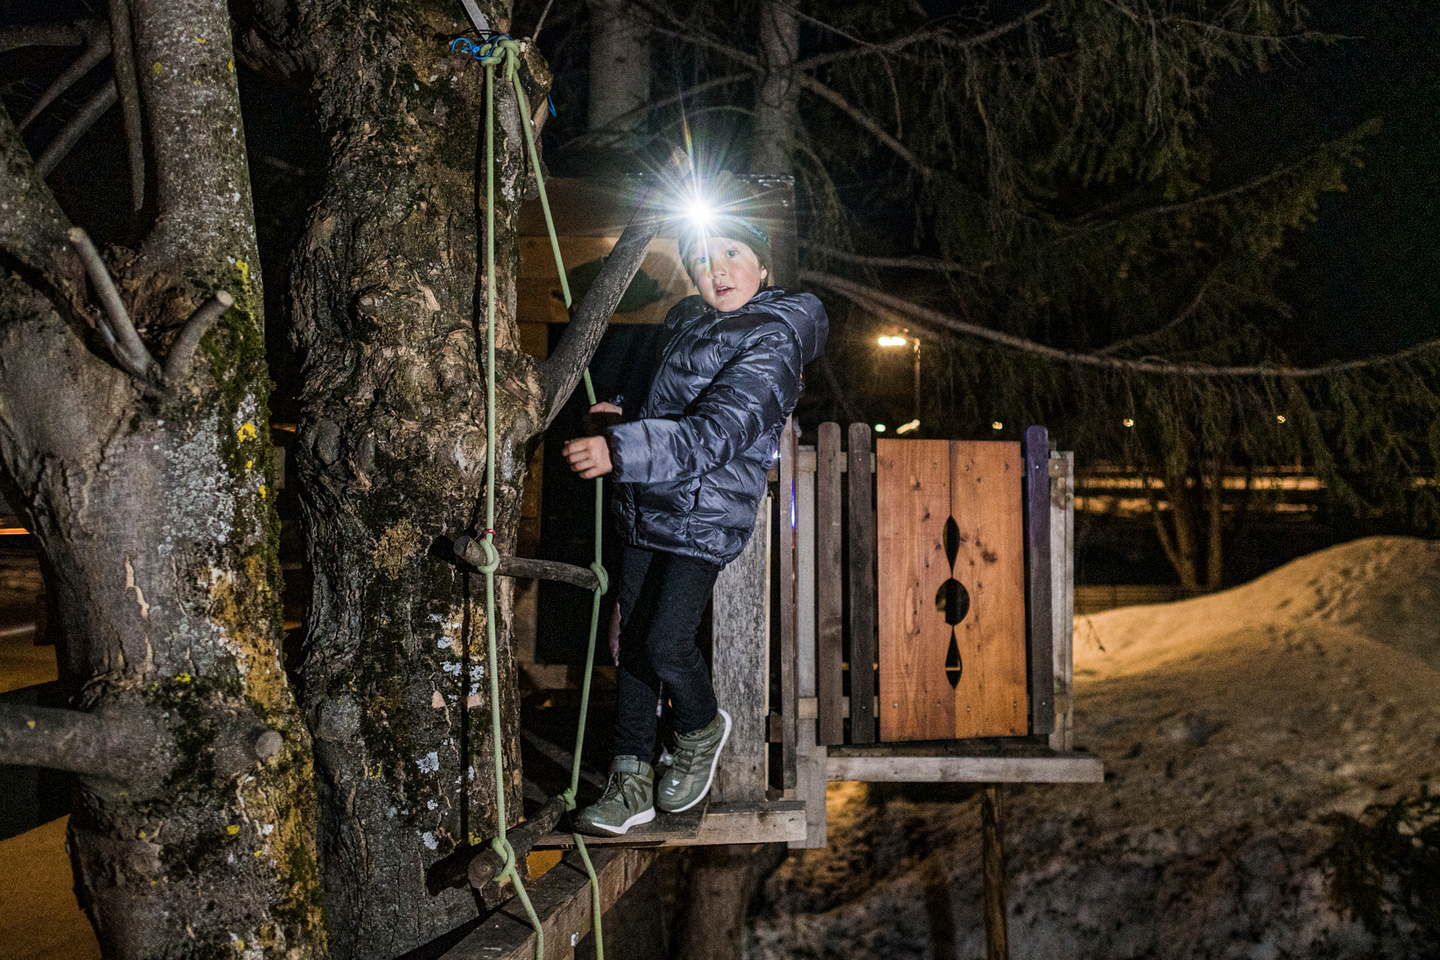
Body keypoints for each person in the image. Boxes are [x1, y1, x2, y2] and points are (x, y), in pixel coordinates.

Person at [561, 179, 828, 835]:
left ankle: (701, 729)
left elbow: (717, 432)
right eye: (702, 257)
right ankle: (629, 782)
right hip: (649, 499)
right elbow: (670, 406)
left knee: (665, 641)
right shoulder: (686, 318)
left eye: (732, 252)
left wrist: (620, 450)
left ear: (763, 265)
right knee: (631, 651)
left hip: (704, 512)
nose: (717, 269)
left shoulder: (775, 336)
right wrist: (622, 413)